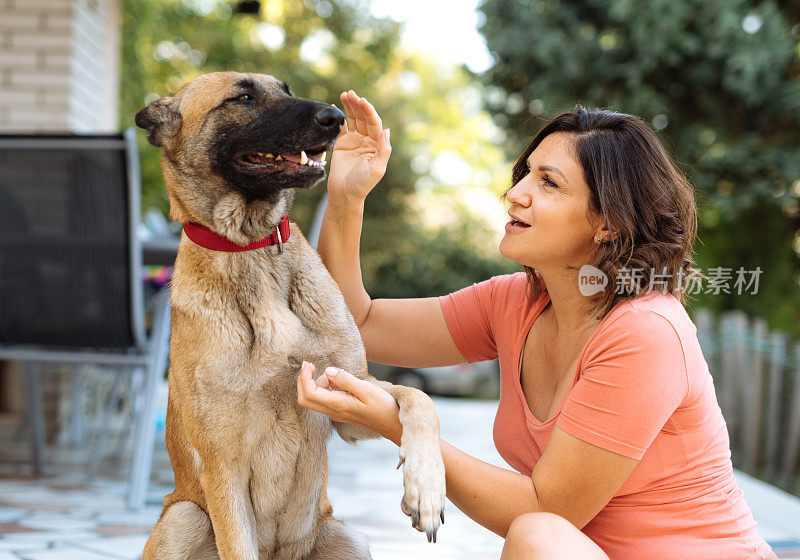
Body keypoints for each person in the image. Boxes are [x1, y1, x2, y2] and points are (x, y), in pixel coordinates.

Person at [296, 90, 777, 560]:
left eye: (548, 183)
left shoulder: (645, 333)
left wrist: (400, 426)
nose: (516, 193)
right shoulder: (514, 303)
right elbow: (358, 322)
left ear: (607, 221)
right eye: (525, 173)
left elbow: (545, 510)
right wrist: (346, 196)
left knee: (537, 535)